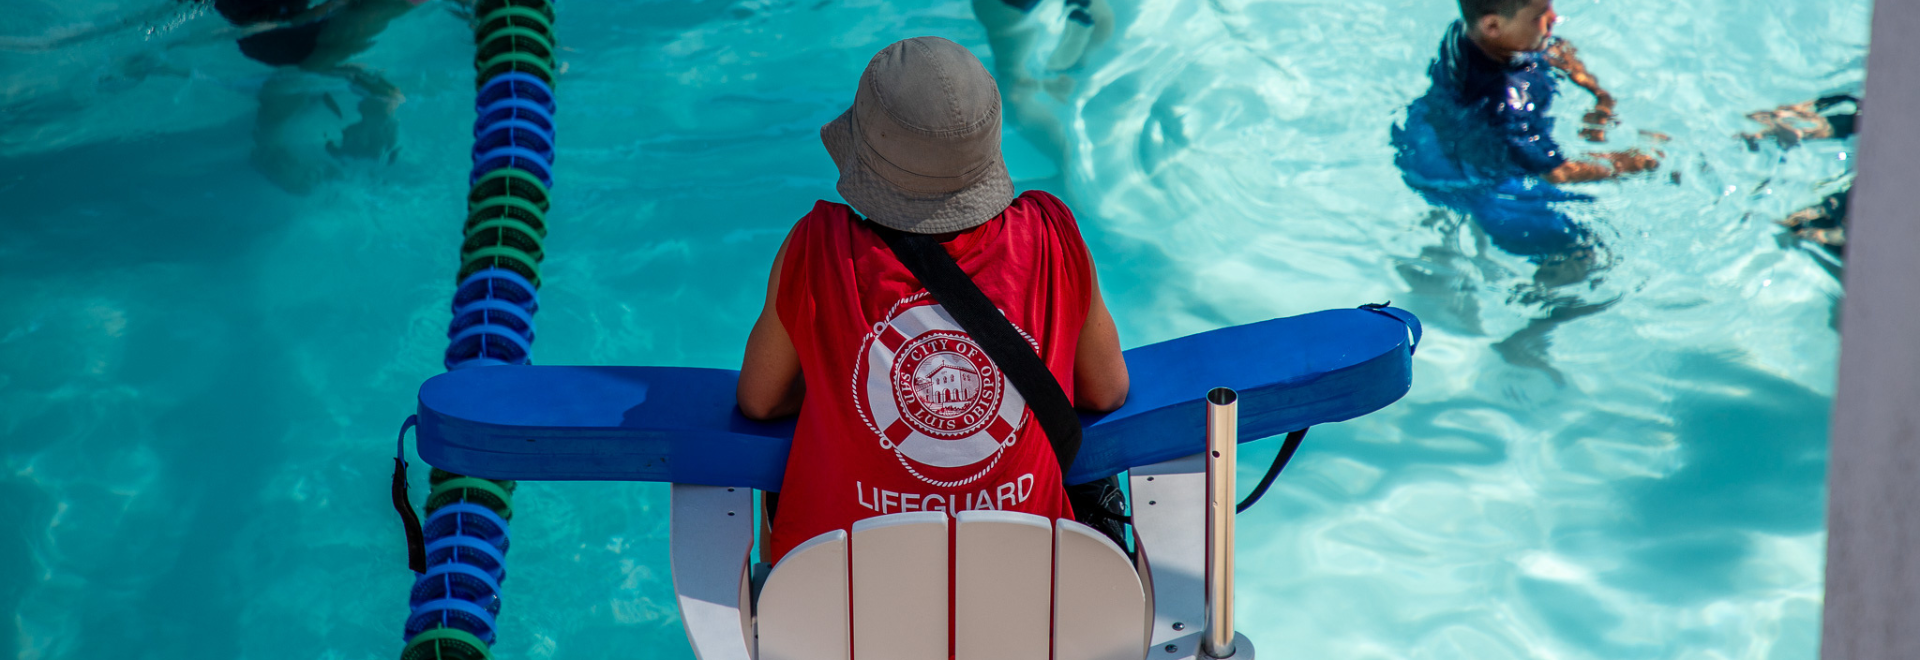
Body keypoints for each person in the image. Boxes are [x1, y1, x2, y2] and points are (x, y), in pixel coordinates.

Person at [737, 36, 1129, 564]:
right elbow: (1106, 391)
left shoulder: (816, 248)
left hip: (835, 603)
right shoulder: (1052, 235)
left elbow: (760, 401)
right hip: (1024, 593)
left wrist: (844, 390)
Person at [972, 0, 1114, 172]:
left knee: (1015, 94)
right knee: (1016, 93)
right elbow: (1103, 20)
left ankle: (1069, 163)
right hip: (1014, 10)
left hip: (1011, 9)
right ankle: (1070, 162)